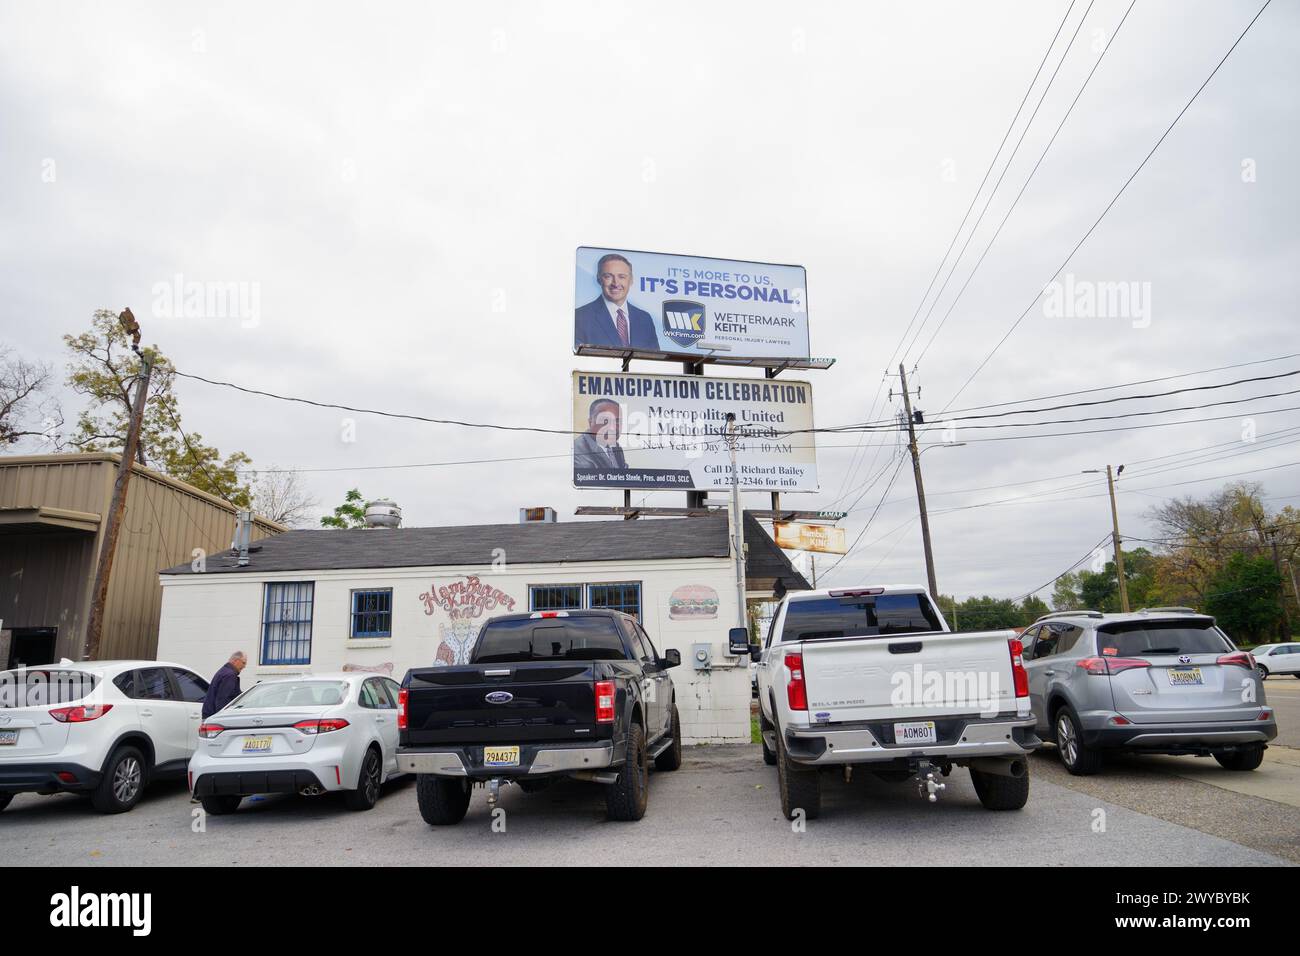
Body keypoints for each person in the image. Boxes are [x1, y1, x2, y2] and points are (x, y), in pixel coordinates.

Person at [575, 252, 659, 350]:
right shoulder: (581, 317)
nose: (615, 283)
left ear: (631, 280)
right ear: (599, 279)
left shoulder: (645, 319)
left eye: (622, 276)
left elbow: (655, 363)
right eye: (608, 276)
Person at [574, 398, 628, 472]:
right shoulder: (578, 452)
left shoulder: (616, 448)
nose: (613, 427)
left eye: (617, 421)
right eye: (605, 420)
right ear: (590, 423)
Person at [202, 651, 247, 718]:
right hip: (215, 717)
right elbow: (223, 699)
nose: (244, 666)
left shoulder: (225, 671)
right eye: (243, 663)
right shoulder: (229, 675)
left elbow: (234, 695)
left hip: (210, 714)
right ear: (236, 661)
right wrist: (223, 718)